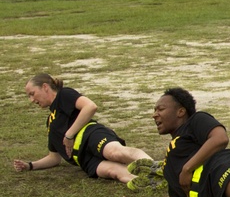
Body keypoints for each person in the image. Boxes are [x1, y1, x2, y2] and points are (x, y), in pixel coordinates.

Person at [13, 74, 157, 188]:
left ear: (45, 87)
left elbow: (90, 106)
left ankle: (158, 169)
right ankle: (153, 183)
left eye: (32, 93)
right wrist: (30, 165)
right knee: (114, 172)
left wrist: (69, 135)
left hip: (90, 135)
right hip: (83, 159)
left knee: (115, 153)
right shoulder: (50, 122)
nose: (32, 100)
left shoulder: (64, 95)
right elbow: (54, 158)